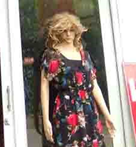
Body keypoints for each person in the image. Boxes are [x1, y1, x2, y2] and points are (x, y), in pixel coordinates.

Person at [40, 12, 115, 147]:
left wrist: (107, 115)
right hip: (66, 110)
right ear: (58, 32)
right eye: (64, 31)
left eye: (72, 30)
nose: (68, 34)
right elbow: (44, 87)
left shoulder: (85, 55)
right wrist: (45, 119)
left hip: (88, 110)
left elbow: (94, 86)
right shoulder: (52, 56)